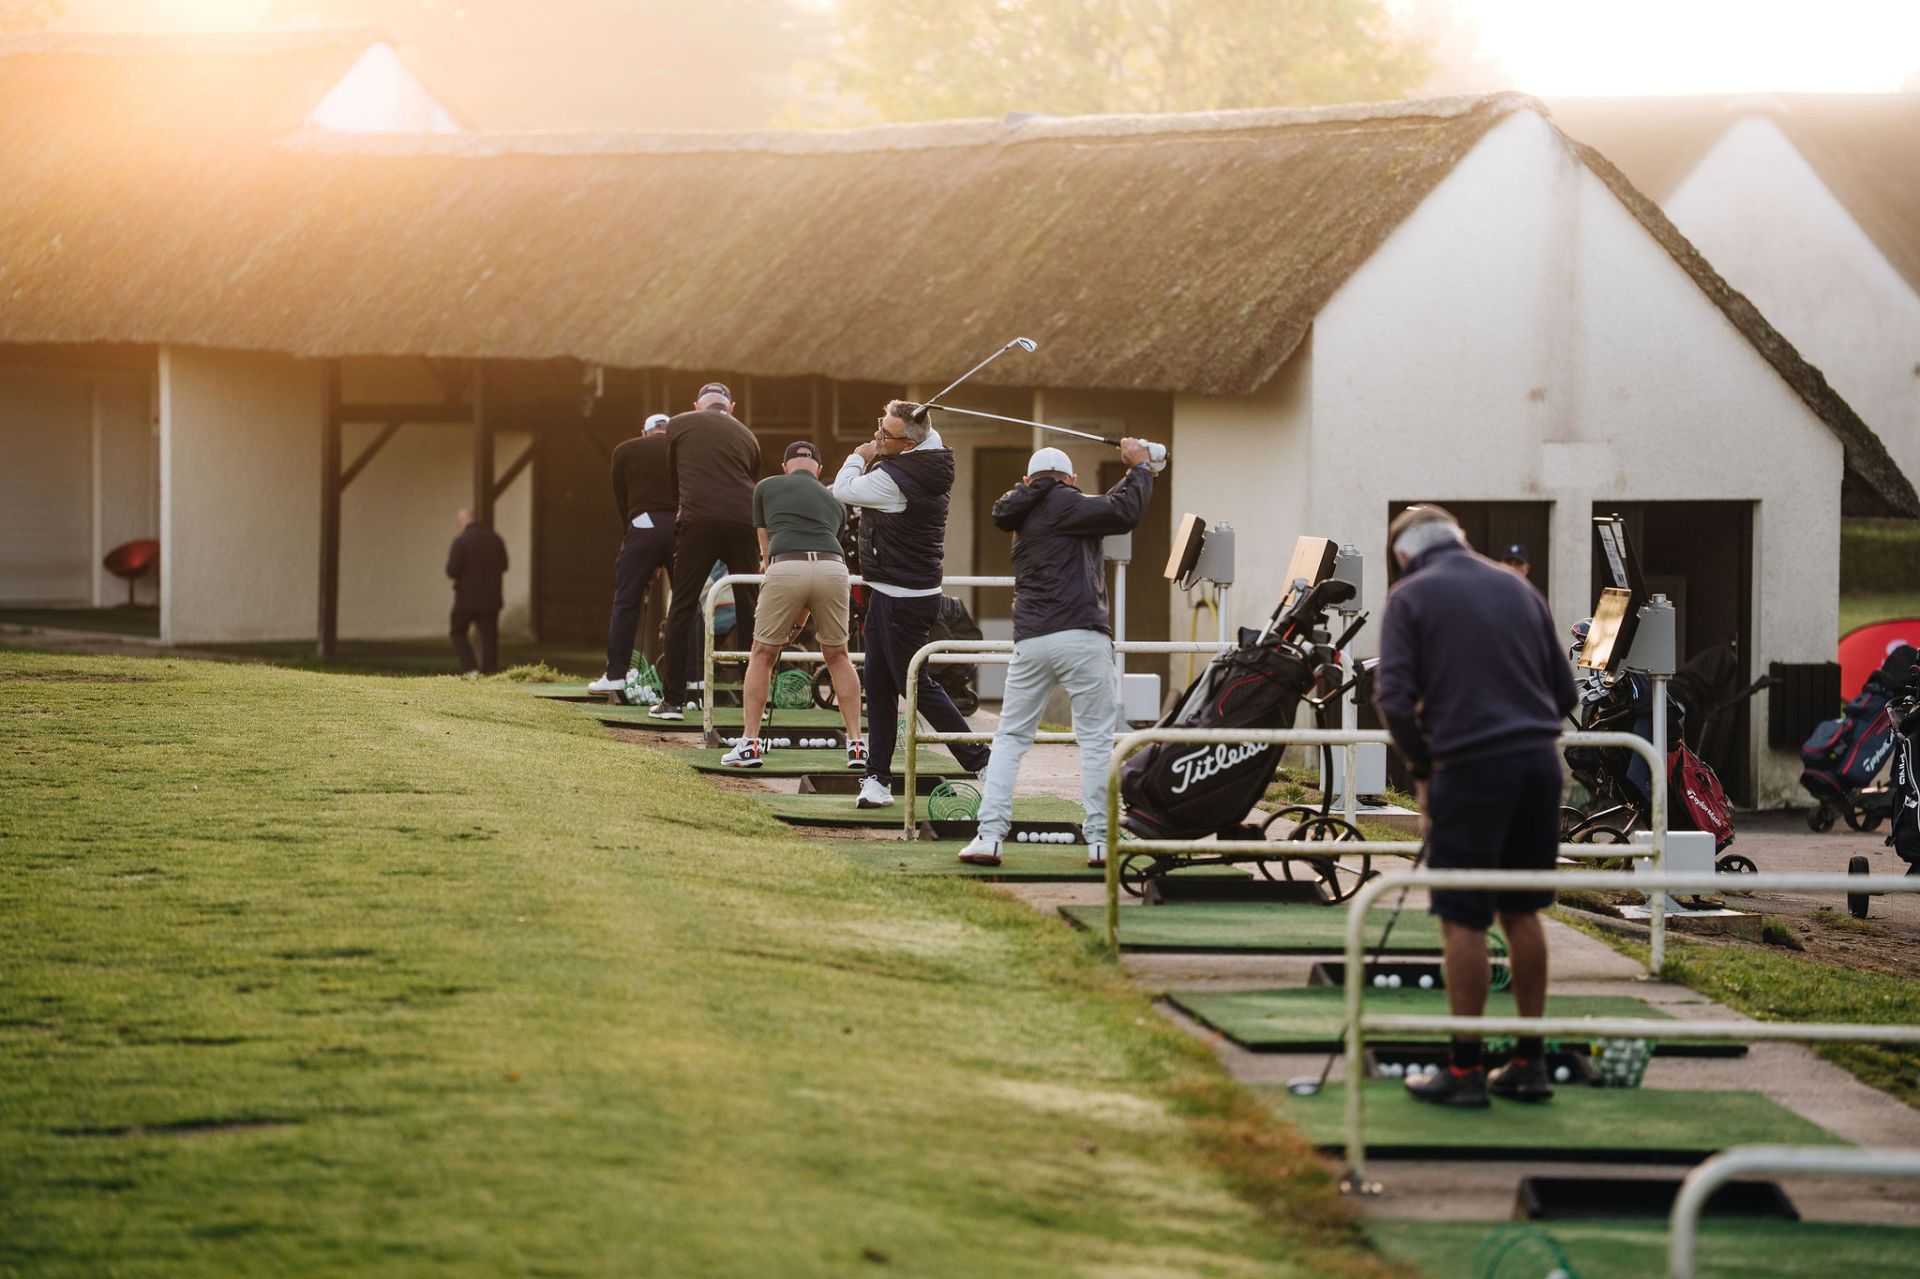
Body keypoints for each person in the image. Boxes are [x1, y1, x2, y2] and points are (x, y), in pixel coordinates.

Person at [1373, 504, 1577, 1108]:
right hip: (1539, 765)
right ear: (1458, 539)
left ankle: (1464, 1071)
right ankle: (1528, 1065)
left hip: (1469, 768)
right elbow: (1565, 692)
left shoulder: (1409, 596)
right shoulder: (1518, 588)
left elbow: (1392, 697)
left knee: (1462, 918)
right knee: (1523, 911)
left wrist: (1423, 769)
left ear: (1403, 554)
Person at [958, 441, 1156, 869]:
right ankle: (1100, 842)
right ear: (1072, 480)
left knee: (1010, 738)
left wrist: (1136, 474)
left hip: (1031, 640)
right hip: (1082, 636)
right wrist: (1141, 468)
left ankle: (989, 837)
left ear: (1028, 480)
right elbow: (1124, 511)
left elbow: (1105, 506)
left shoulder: (1020, 510)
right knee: (1096, 740)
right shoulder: (1073, 503)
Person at [832, 400, 990, 808]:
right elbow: (924, 430)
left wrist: (858, 457)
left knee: (915, 686)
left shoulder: (894, 479)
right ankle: (877, 779)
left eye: (885, 434)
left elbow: (842, 491)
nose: (877, 437)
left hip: (901, 599)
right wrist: (900, 424)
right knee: (879, 687)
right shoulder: (928, 450)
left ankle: (983, 761)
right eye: (878, 427)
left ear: (908, 445)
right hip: (890, 593)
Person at [721, 441, 865, 769]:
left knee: (762, 654)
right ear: (819, 469)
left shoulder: (765, 487)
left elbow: (765, 543)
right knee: (838, 656)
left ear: (785, 466)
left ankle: (749, 745)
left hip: (786, 564)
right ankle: (857, 745)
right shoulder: (835, 500)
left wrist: (766, 564)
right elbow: (817, 561)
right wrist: (799, 620)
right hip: (833, 569)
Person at [651, 383, 762, 721]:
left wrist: (683, 508)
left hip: (698, 518)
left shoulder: (679, 423)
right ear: (731, 406)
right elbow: (749, 478)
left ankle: (673, 701)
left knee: (682, 606)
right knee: (749, 606)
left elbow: (673, 477)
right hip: (743, 521)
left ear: (697, 404)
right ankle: (753, 701)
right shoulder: (748, 435)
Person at [589, 412, 674, 697]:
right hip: (680, 527)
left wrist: (632, 535)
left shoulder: (625, 450)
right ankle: (694, 678)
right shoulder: (682, 448)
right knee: (687, 603)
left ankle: (616, 675)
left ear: (644, 432)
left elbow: (621, 497)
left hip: (642, 524)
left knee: (626, 601)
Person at [446, 506, 509, 676]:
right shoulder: (496, 539)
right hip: (491, 599)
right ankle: (490, 673)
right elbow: (504, 565)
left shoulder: (460, 541)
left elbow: (452, 571)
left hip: (466, 599)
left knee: (457, 633)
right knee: (489, 639)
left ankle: (471, 669)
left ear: (461, 523)